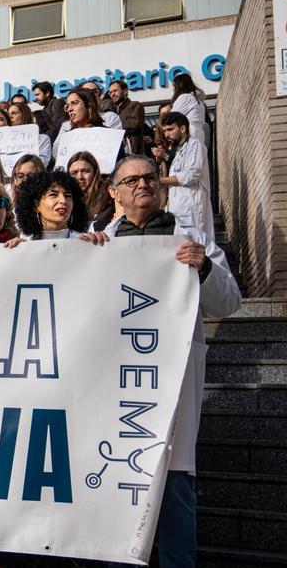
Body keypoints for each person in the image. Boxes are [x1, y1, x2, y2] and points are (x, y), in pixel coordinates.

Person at [81, 156, 240, 567]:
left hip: (171, 378)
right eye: (131, 180)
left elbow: (229, 303)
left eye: (150, 177)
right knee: (115, 485)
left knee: (175, 486)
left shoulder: (191, 238)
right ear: (114, 192)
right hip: (116, 384)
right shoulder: (98, 244)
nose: (143, 185)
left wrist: (204, 267)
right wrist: (82, 259)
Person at [157, 111, 214, 239]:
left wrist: (160, 180)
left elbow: (191, 175)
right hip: (179, 209)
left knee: (195, 242)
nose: (166, 134)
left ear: (182, 128)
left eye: (170, 129)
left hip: (192, 207)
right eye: (164, 131)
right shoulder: (179, 150)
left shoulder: (195, 144)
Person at [14, 171, 88, 240]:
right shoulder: (25, 243)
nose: (63, 200)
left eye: (67, 196)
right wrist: (16, 248)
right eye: (53, 195)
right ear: (36, 205)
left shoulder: (85, 241)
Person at [66, 151, 114, 221]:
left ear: (95, 172)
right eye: (74, 173)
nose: (80, 177)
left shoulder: (109, 196)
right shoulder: (66, 197)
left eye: (85, 171)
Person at [170, 73, 209, 147]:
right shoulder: (199, 101)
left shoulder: (185, 97)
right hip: (198, 137)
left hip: (189, 137)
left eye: (174, 86)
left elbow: (170, 118)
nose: (173, 89)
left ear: (180, 86)